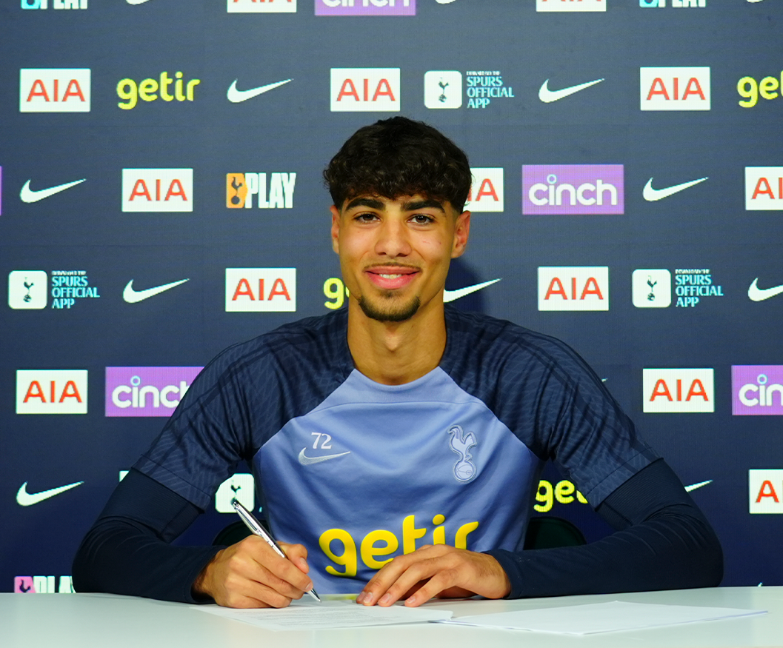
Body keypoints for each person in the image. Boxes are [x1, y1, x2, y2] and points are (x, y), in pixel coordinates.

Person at [73, 117, 723, 608]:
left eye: (419, 217)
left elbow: (687, 543)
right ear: (336, 231)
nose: (390, 245)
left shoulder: (530, 373)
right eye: (366, 215)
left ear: (457, 235)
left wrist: (500, 572)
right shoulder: (261, 376)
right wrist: (205, 574)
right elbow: (104, 553)